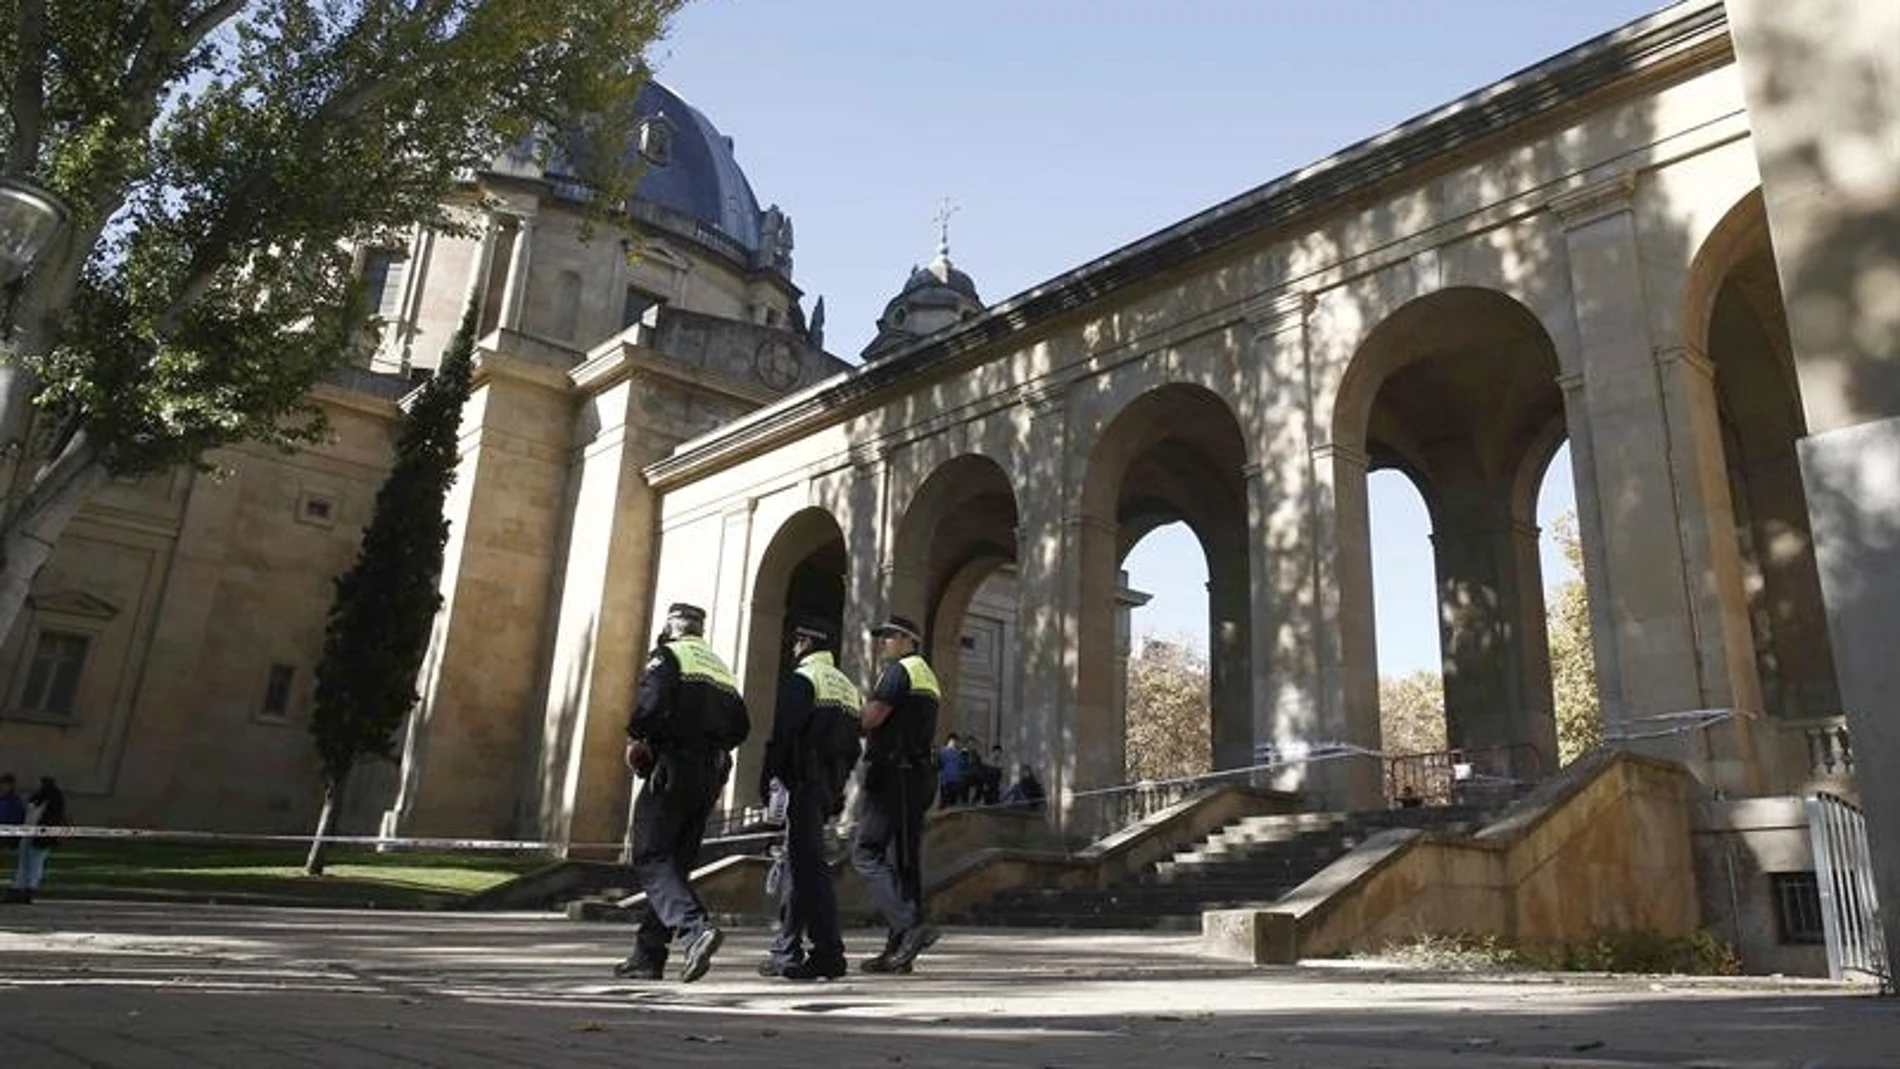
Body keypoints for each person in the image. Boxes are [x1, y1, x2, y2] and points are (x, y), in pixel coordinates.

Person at [614, 602, 750, 984]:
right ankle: (648, 956)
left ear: (672, 627)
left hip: (673, 764)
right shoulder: (719, 668)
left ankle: (695, 930)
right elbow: (742, 726)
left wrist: (638, 737)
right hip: (710, 772)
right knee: (674, 861)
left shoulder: (668, 655)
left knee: (650, 851)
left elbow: (651, 704)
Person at [755, 618, 863, 981]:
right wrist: (837, 792)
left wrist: (768, 779)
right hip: (827, 788)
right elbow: (852, 749)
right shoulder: (847, 688)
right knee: (800, 867)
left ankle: (829, 952)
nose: (791, 648)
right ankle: (786, 950)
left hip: (801, 783)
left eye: (795, 641)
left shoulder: (804, 679)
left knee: (809, 870)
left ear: (803, 642)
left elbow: (784, 735)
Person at [853, 614, 942, 974]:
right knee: (904, 862)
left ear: (910, 641)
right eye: (882, 636)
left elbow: (872, 718)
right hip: (918, 774)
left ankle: (909, 925)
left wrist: (847, 719)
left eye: (891, 636)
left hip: (894, 773)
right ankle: (899, 951)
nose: (883, 642)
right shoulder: (927, 675)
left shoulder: (899, 671)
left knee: (866, 852)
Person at [8, 776, 66, 904]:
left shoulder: (53, 801)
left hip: (41, 837)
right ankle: (19, 888)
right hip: (28, 833)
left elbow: (52, 820)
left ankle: (28, 889)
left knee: (35, 862)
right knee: (25, 862)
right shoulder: (37, 799)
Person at [938, 733, 965, 808]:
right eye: (952, 741)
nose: (954, 743)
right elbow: (940, 764)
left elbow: (962, 764)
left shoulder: (958, 752)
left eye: (955, 741)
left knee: (954, 803)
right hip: (946, 780)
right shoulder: (942, 751)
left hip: (956, 780)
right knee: (945, 802)